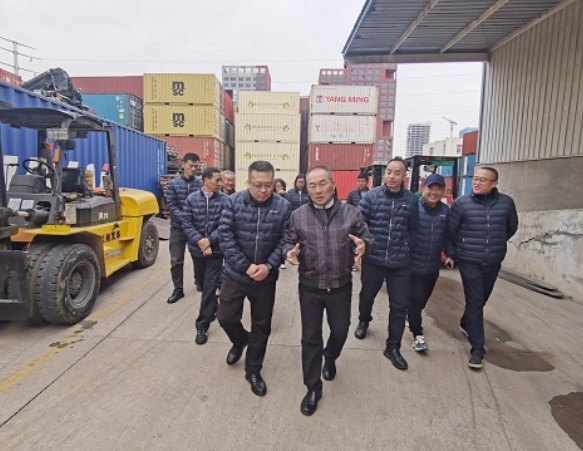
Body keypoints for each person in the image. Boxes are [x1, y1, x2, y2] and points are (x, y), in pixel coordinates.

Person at [283, 166, 372, 416]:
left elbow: (367, 239)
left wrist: (364, 246)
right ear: (307, 188)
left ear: (333, 185)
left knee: (340, 331)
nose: (318, 190)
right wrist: (288, 252)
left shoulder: (351, 213)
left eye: (323, 183)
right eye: (312, 185)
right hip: (310, 287)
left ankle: (330, 356)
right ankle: (313, 387)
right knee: (310, 338)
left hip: (341, 286)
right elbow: (288, 241)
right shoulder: (298, 216)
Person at [217, 160, 291, 397]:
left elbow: (286, 239)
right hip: (236, 275)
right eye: (258, 185)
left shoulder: (283, 206)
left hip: (265, 279)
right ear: (248, 182)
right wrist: (246, 266)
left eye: (268, 185)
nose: (263, 190)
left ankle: (253, 370)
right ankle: (240, 340)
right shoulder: (232, 202)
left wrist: (269, 266)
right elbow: (225, 237)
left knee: (262, 326)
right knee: (225, 317)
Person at [447, 166, 518, 369]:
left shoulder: (506, 203)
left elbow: (511, 227)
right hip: (469, 259)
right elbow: (451, 231)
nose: (477, 183)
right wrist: (453, 253)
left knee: (481, 298)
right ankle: (477, 349)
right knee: (476, 300)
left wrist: (495, 243)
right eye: (475, 179)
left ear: (494, 183)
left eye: (483, 180)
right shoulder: (461, 204)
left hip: (493, 260)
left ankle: (465, 322)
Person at [354, 156, 419, 371]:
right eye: (389, 172)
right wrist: (363, 247)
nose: (391, 176)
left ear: (404, 176)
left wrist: (407, 248)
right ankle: (364, 320)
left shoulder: (411, 200)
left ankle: (393, 347)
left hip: (400, 263)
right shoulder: (371, 197)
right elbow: (359, 224)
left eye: (396, 173)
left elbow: (414, 228)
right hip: (374, 259)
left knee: (399, 306)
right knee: (367, 295)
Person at [182, 167, 226, 345]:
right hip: (197, 250)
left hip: (216, 251)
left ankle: (202, 325)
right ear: (206, 180)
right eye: (217, 180)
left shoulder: (225, 200)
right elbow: (186, 222)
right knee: (201, 283)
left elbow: (225, 224)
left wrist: (210, 241)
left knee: (209, 287)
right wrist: (200, 241)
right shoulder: (192, 199)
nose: (220, 183)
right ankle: (213, 306)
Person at [408, 173, 451, 353]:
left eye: (438, 189)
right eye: (430, 188)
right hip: (412, 264)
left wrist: (450, 254)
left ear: (443, 191)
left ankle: (411, 316)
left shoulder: (446, 211)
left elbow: (450, 235)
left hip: (433, 265)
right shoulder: (413, 208)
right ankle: (417, 335)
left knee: (423, 299)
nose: (434, 192)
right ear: (423, 189)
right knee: (416, 298)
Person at [165, 153, 202, 304]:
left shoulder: (199, 185)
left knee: (198, 258)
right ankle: (178, 289)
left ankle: (199, 282)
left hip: (195, 230)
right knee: (176, 260)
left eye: (195, 167)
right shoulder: (174, 184)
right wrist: (185, 220)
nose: (193, 169)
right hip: (178, 229)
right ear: (183, 165)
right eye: (190, 166)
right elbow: (171, 205)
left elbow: (201, 205)